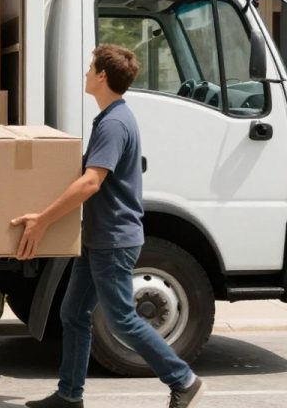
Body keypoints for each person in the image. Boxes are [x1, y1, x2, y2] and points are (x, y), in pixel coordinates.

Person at [11, 44, 205, 408]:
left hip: (114, 239)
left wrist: (42, 220)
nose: (86, 73)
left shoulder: (114, 123)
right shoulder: (111, 118)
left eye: (90, 68)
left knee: (121, 319)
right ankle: (70, 395)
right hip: (99, 237)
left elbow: (91, 182)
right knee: (73, 314)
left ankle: (184, 379)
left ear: (102, 75)